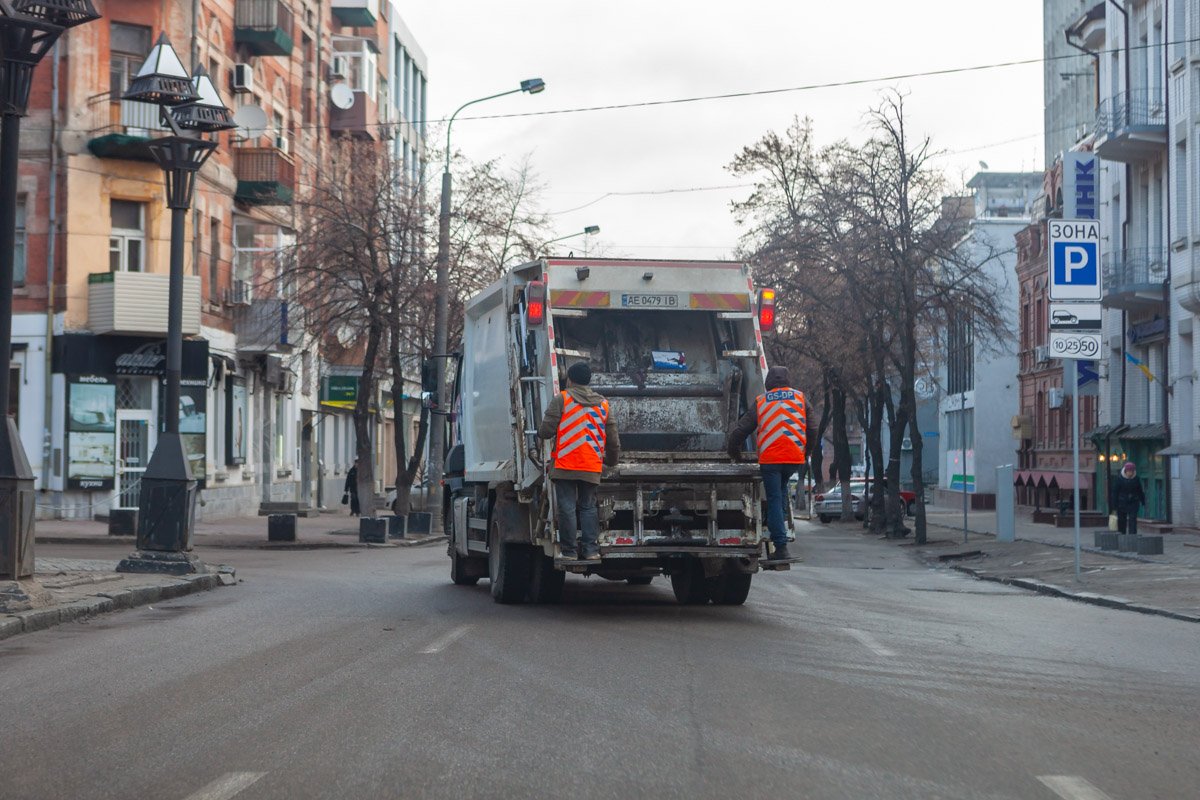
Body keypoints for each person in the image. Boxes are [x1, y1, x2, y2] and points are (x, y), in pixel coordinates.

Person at [538, 361, 620, 560]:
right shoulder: (603, 404)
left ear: (570, 380)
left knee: (567, 508)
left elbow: (546, 431)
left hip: (566, 464)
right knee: (588, 507)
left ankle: (570, 552)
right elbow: (613, 440)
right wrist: (611, 461)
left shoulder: (562, 399)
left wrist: (540, 434)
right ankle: (591, 550)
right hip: (591, 465)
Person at [727, 365, 807, 561]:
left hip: (771, 461)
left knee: (774, 498)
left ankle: (780, 546)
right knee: (779, 494)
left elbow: (741, 430)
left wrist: (734, 453)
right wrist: (806, 452)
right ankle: (779, 536)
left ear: (769, 382)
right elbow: (811, 427)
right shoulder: (800, 398)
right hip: (793, 458)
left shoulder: (763, 401)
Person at [1109, 461, 1145, 536]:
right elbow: (1115, 492)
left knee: (1133, 520)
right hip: (1122, 503)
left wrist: (1142, 500)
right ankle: (1122, 535)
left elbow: (1139, 490)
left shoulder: (1136, 479)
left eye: (1132, 471)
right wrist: (1114, 505)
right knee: (1122, 521)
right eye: (1129, 471)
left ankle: (1132, 536)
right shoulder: (1120, 479)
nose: (1130, 473)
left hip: (1133, 502)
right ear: (1125, 471)